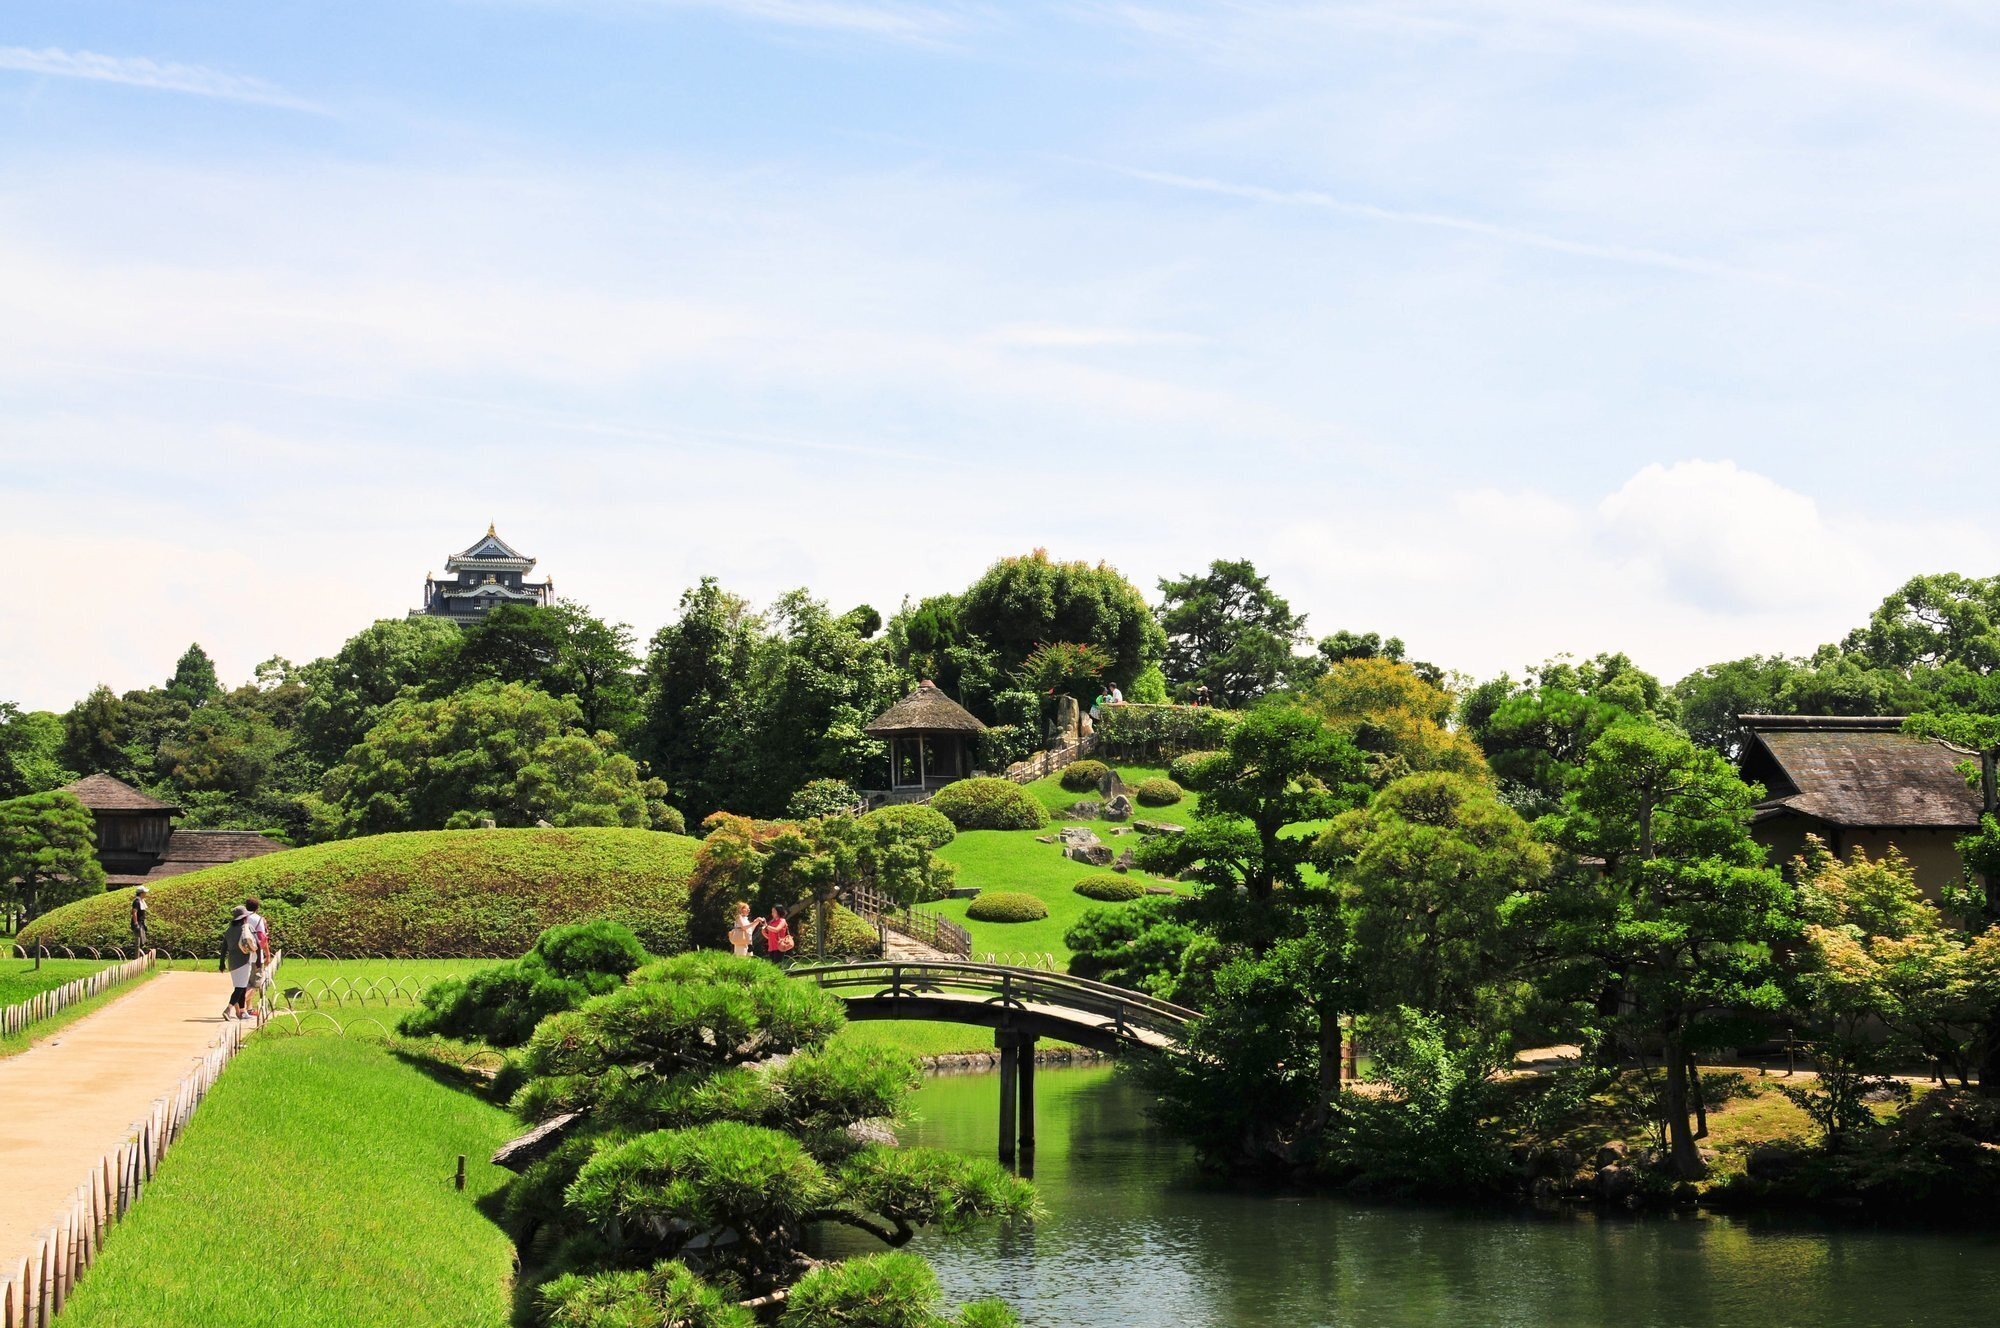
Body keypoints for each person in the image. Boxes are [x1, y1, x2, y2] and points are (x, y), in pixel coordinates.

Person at [219, 905, 257, 1019]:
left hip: (232, 962)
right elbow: (256, 943)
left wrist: (221, 964)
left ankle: (242, 1012)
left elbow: (224, 948)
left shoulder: (229, 930)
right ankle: (228, 1009)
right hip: (243, 960)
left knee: (240, 986)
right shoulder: (245, 928)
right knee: (240, 988)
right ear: (244, 917)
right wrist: (259, 959)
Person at [130, 886, 150, 953]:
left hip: (141, 923)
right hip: (138, 923)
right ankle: (137, 955)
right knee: (139, 941)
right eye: (145, 893)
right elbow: (134, 913)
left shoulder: (142, 901)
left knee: (143, 940)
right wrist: (136, 924)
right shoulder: (136, 901)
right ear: (141, 893)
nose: (146, 894)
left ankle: (140, 954)